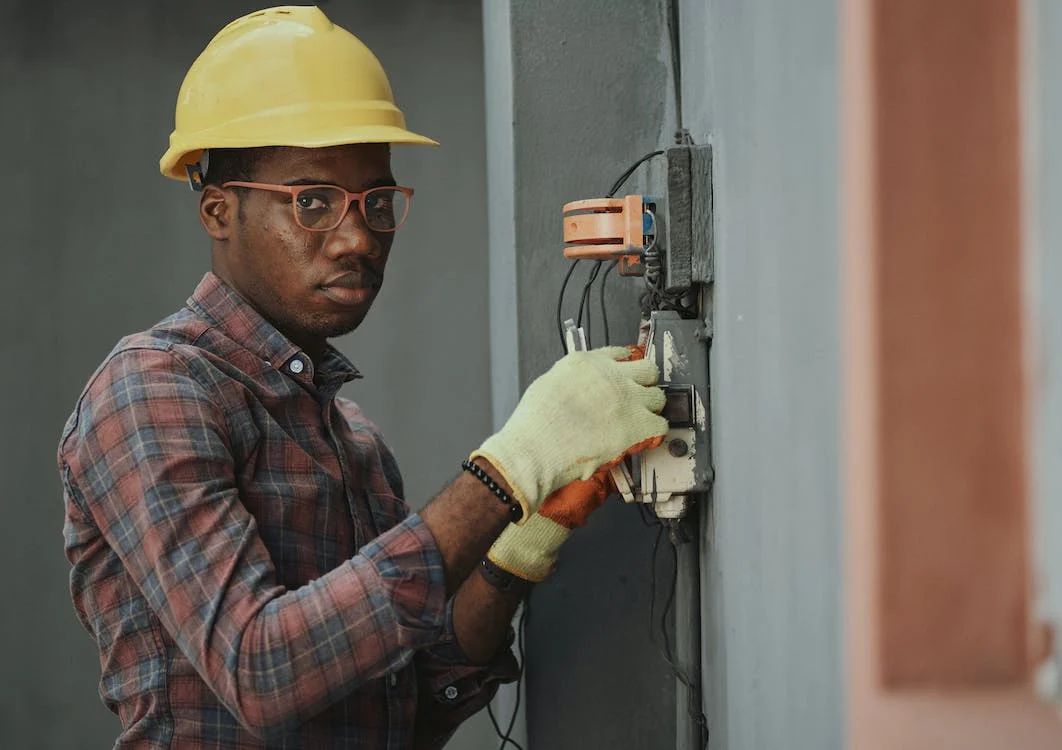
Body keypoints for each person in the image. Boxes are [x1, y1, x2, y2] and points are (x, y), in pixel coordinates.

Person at [56, 6, 668, 749]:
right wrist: (507, 471)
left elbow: (412, 710)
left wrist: (519, 546)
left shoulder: (355, 444)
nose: (357, 238)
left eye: (377, 202)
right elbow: (264, 674)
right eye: (311, 202)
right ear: (219, 211)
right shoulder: (152, 394)